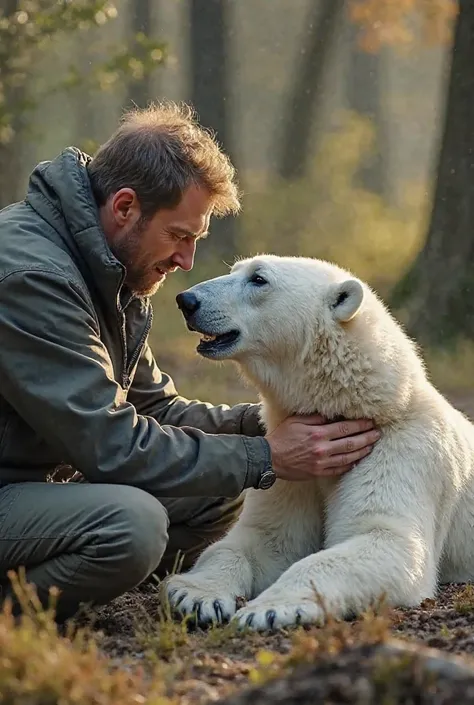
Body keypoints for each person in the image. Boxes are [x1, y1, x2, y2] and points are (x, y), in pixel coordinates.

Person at [0, 102, 380, 622]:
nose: (186, 261)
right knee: (131, 525)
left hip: (26, 487)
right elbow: (111, 445)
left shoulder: (109, 269)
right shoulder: (34, 278)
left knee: (214, 492)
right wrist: (267, 457)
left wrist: (276, 424)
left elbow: (156, 410)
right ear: (125, 207)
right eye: (180, 236)